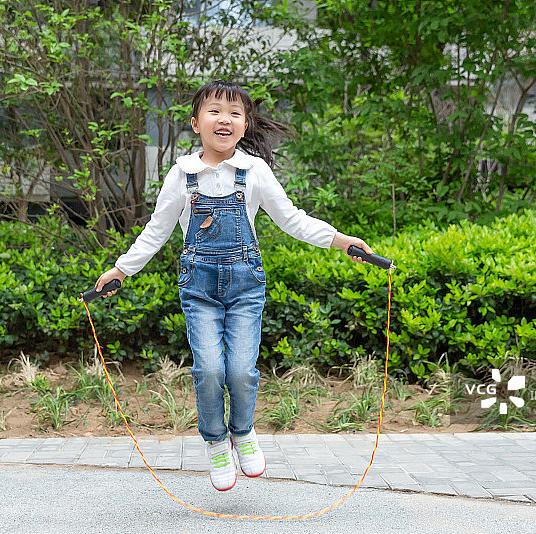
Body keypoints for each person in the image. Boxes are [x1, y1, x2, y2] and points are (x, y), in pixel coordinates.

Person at [95, 80, 373, 491]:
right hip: (199, 288)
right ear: (195, 123)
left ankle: (242, 431)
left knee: (241, 371)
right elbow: (156, 231)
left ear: (245, 127)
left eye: (235, 113)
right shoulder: (182, 175)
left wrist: (340, 240)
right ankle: (215, 442)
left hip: (245, 286)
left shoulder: (253, 172)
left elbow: (292, 219)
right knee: (209, 370)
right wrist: (122, 269)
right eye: (214, 111)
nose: (224, 118)